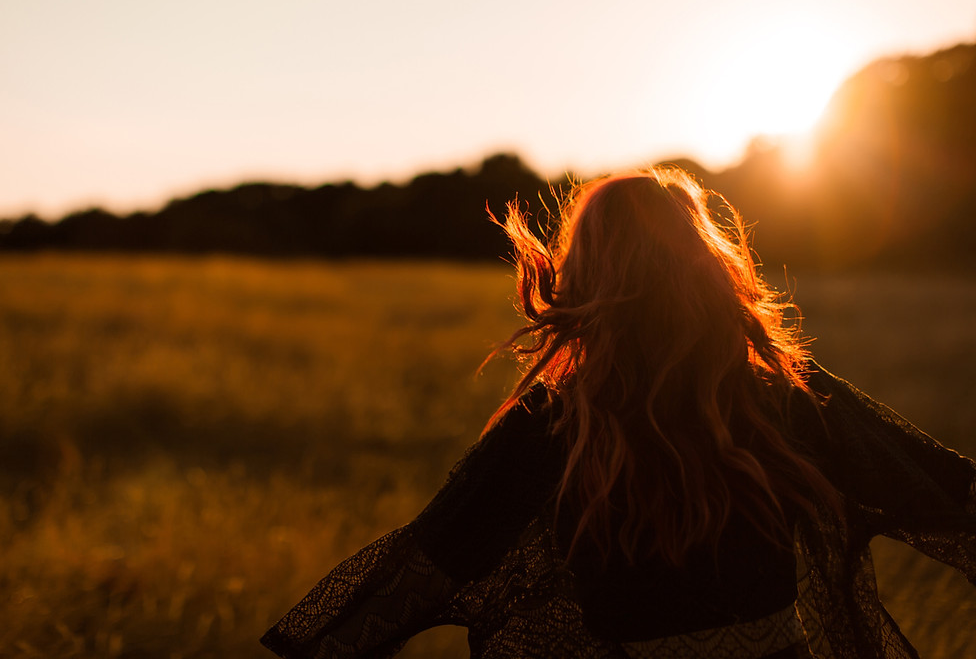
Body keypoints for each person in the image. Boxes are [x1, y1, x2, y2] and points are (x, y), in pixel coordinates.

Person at [261, 166, 976, 659]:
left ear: (586, 276)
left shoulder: (551, 425)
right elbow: (950, 493)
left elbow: (413, 577)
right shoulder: (782, 396)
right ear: (706, 266)